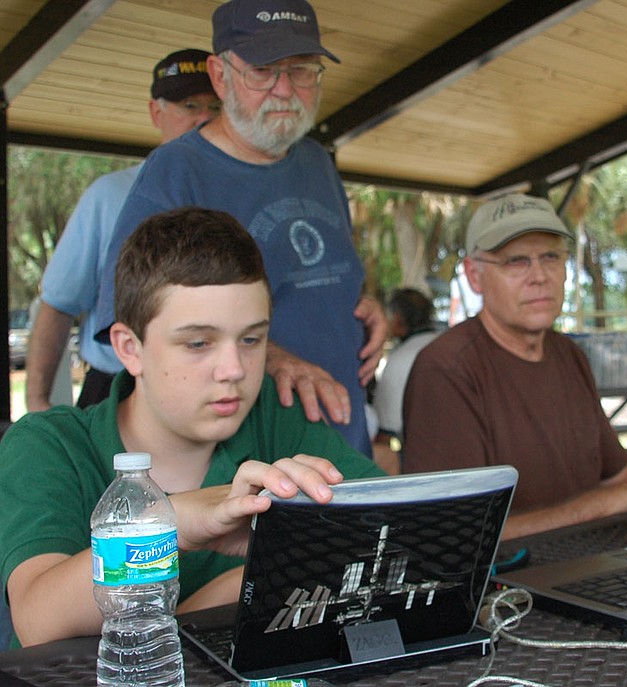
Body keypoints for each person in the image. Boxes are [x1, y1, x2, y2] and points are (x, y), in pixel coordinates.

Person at [0, 207, 386, 648]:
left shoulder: (277, 418)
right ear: (130, 348)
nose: (233, 369)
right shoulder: (51, 445)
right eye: (198, 343)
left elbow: (396, 534)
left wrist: (214, 600)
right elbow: (37, 621)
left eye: (251, 339)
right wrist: (173, 525)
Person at [92, 0, 387, 456]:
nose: (285, 89)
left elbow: (320, 274)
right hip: (250, 452)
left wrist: (362, 305)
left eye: (303, 70)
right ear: (219, 75)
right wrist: (270, 356)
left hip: (341, 437)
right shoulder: (174, 172)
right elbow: (130, 313)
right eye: (263, 70)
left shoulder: (317, 162)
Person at [401, 194, 627, 540]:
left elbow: (618, 479)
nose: (539, 276)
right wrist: (615, 500)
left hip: (595, 564)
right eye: (516, 261)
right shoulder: (447, 368)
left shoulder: (569, 354)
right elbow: (456, 538)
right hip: (513, 585)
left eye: (550, 256)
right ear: (474, 276)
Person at [25, 48, 221, 412]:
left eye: (216, 107)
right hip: (119, 389)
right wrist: (37, 404)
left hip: (219, 389)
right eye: (190, 106)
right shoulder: (110, 194)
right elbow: (58, 303)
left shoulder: (235, 195)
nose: (204, 118)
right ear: (155, 112)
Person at [369, 288, 442, 473]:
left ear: (398, 318)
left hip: (424, 464)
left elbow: (384, 435)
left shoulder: (399, 360)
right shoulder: (449, 345)